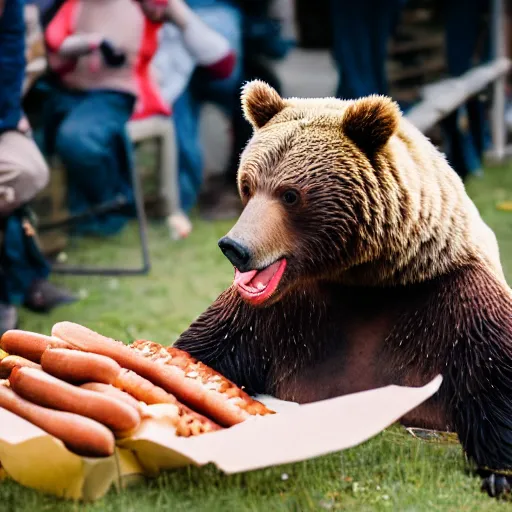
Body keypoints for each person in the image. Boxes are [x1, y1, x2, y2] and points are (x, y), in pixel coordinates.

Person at [0, 0, 76, 334]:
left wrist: (9, 115)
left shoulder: (14, 9)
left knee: (28, 171)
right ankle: (20, 282)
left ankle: (19, 281)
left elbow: (12, 66)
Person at [153, 0, 242, 231]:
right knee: (177, 103)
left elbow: (224, 66)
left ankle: (228, 188)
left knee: (244, 93)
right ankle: (181, 200)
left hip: (202, 22)